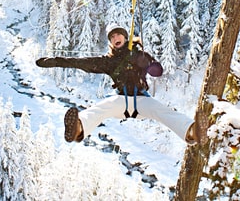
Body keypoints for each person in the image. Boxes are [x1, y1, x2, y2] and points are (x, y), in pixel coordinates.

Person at [35, 24, 204, 144]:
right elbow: (81, 62)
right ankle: (78, 128)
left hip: (142, 101)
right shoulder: (109, 62)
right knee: (100, 108)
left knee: (162, 111)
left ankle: (190, 131)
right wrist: (55, 61)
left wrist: (148, 64)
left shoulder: (139, 55)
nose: (116, 38)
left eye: (118, 35)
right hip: (120, 102)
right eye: (112, 37)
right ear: (110, 42)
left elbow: (157, 71)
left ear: (125, 36)